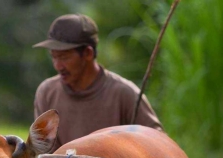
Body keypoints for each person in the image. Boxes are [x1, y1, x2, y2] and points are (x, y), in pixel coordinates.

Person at [33, 14, 163, 150]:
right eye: (54, 57)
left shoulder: (124, 93)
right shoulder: (47, 92)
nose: (58, 66)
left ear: (88, 53)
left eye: (64, 57)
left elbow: (158, 142)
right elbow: (41, 151)